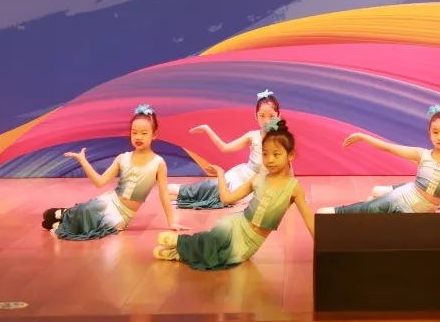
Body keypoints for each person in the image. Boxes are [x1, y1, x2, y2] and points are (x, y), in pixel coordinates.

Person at [154, 118, 314, 270]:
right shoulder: (258, 178)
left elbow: (310, 223)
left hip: (250, 241)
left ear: (290, 155)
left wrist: (324, 251)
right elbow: (226, 199)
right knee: (217, 236)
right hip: (236, 223)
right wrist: (220, 174)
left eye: (276, 154)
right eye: (265, 154)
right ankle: (182, 244)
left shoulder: (294, 188)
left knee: (226, 255)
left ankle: (179, 249)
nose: (270, 159)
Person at [318, 104, 440, 232]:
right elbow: (388, 148)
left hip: (420, 209)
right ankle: (332, 212)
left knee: (380, 220)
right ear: (429, 134)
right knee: (368, 209)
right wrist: (362, 136)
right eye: (435, 132)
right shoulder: (422, 154)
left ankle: (369, 204)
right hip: (404, 197)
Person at [42, 104, 190, 239]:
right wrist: (83, 161)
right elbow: (99, 182)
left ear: (154, 134)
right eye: (134, 133)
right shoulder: (122, 158)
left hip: (123, 215)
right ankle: (65, 213)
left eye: (144, 133)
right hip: (110, 201)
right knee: (88, 210)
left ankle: (63, 220)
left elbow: (163, 194)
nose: (138, 137)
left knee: (93, 224)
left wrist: (171, 222)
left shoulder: (158, 163)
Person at [168, 90, 280, 209]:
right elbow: (225, 148)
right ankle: (179, 190)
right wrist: (207, 129)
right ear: (256, 116)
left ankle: (180, 195)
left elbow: (286, 171)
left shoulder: (282, 140)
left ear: (278, 116)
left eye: (271, 116)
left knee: (222, 199)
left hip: (259, 185)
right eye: (262, 116)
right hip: (241, 178)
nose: (266, 121)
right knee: (212, 189)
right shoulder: (252, 136)